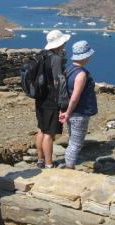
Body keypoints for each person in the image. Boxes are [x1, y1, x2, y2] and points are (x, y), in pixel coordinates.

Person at [59, 40, 98, 169]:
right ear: (85, 56)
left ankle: (69, 164)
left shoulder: (68, 69)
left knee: (72, 140)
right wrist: (68, 113)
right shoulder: (81, 74)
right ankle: (69, 168)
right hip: (79, 112)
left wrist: (63, 111)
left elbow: (64, 92)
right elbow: (75, 97)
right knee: (76, 143)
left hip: (70, 111)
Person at [35, 30, 70, 169]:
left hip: (40, 98)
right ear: (59, 44)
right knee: (49, 133)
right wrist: (63, 103)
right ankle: (49, 164)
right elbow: (58, 81)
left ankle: (40, 159)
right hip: (51, 99)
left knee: (41, 129)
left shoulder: (41, 55)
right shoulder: (55, 59)